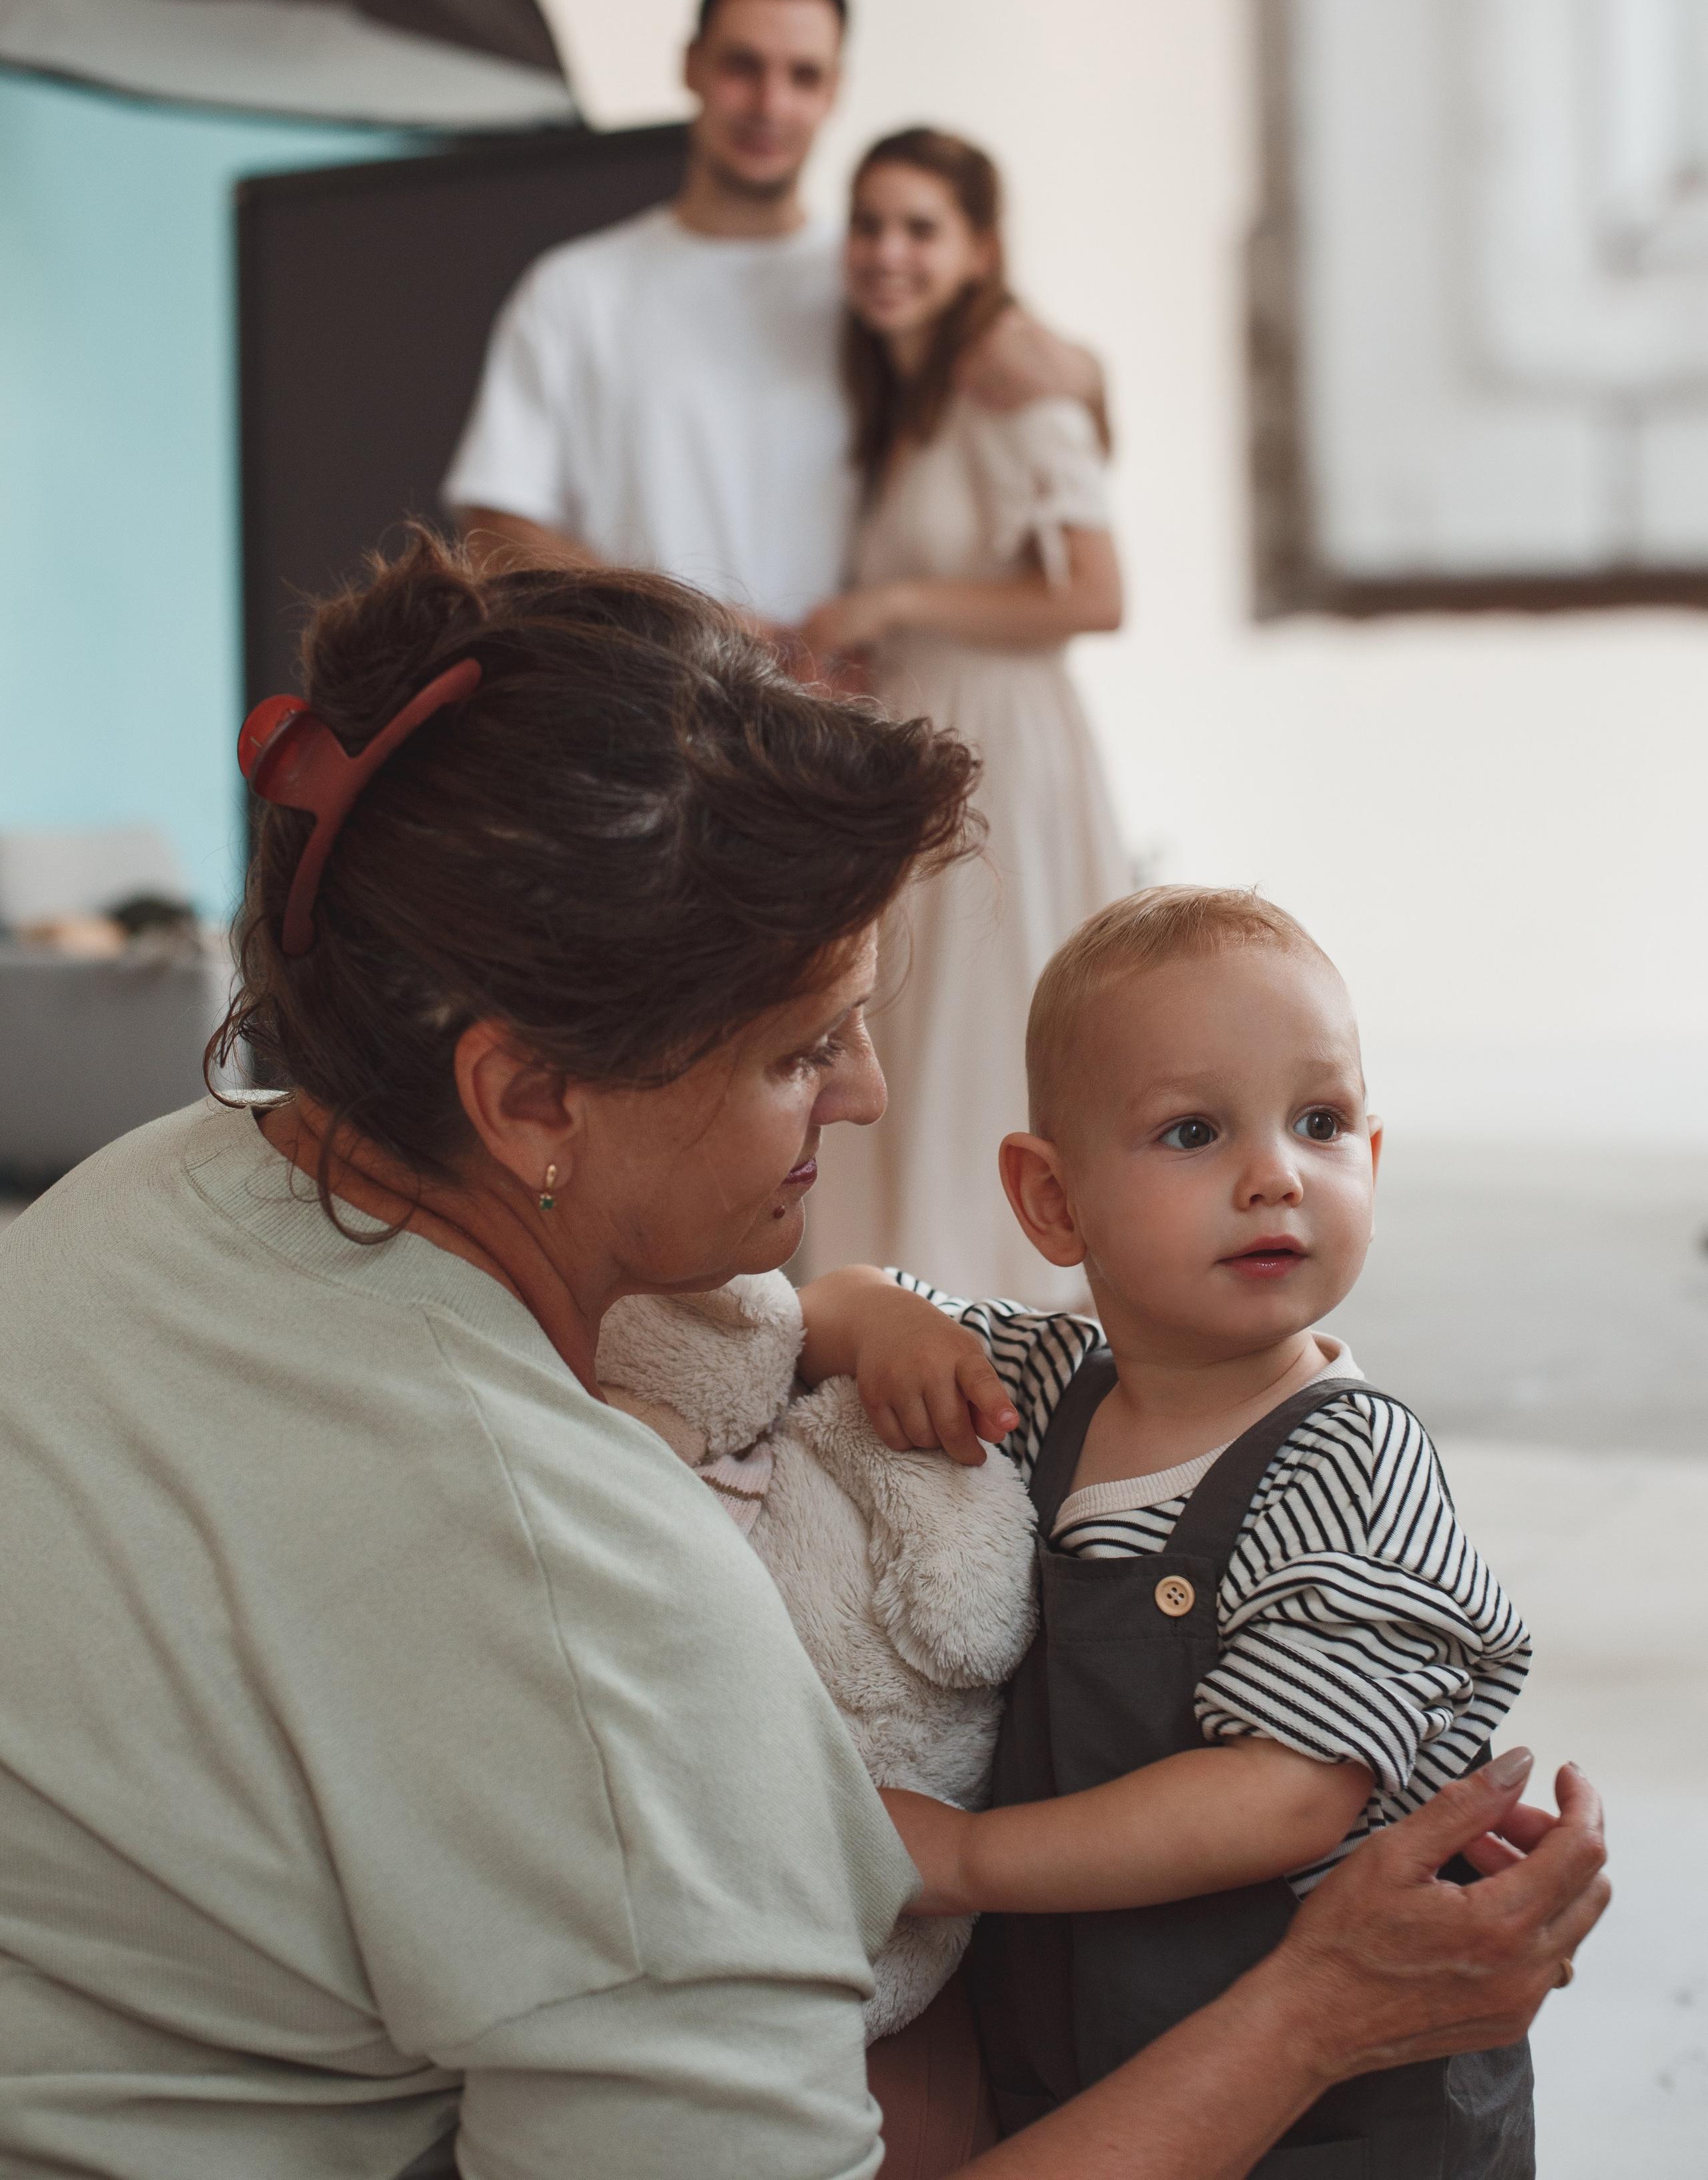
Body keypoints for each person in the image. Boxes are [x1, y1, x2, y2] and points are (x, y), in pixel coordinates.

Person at [0, 537, 1606, 2179]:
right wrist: (1323, 2009)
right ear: (529, 1097)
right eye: (799, 1047)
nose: (864, 1095)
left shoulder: (148, 1189)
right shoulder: (587, 1602)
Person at [807, 885, 1542, 2172]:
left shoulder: (1351, 1461)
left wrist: (967, 1855)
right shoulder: (1042, 1381)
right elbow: (828, 1304)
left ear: (1369, 1161)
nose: (1275, 1176)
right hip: (1093, 2061)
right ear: (1052, 1203)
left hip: (1340, 2117)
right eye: (1194, 1131)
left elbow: (1285, 1796)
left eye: (1321, 1124)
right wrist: (886, 1326)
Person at [442, 0, 1103, 635]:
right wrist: (689, 624)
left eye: (803, 75)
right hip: (633, 717)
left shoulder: (880, 287)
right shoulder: (575, 290)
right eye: (742, 66)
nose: (770, 104)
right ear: (691, 64)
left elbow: (1019, 385)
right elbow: (493, 523)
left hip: (839, 722)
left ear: (835, 90)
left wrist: (1088, 375)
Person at [800, 128, 1128, 1304]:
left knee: (978, 1029)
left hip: (1001, 746)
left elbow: (1097, 592)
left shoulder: (1010, 375)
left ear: (981, 247)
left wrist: (896, 598)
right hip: (922, 735)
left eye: (921, 227)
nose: (889, 252)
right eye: (871, 224)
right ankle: (898, 1301)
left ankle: (991, 1314)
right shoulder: (906, 394)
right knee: (912, 1020)